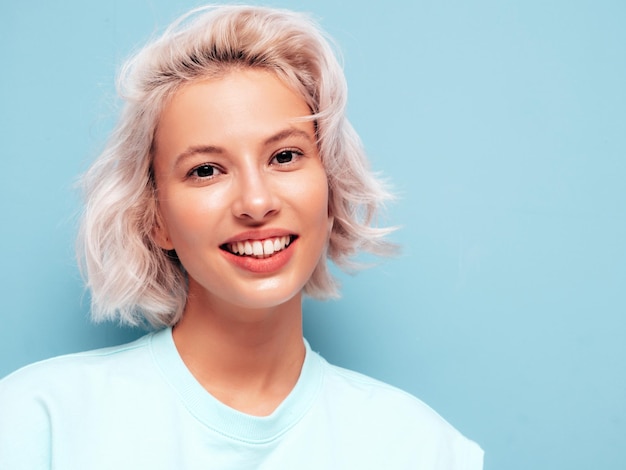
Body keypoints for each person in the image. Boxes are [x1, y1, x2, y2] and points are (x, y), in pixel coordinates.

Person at [0, 5, 483, 469]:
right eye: (206, 170)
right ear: (155, 217)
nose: (256, 203)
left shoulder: (420, 450)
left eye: (285, 157)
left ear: (331, 184)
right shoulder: (38, 423)